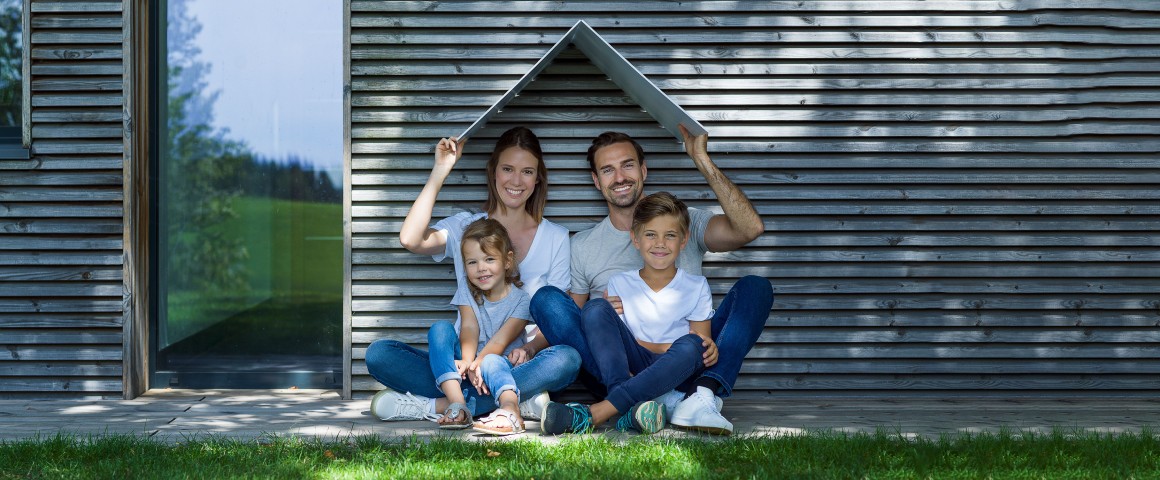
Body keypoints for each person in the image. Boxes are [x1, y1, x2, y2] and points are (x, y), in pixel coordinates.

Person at [530, 125, 774, 435]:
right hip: (615, 365)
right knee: (548, 300)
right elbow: (569, 318)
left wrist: (701, 159)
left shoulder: (684, 220)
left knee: (755, 288)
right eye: (608, 169)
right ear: (596, 180)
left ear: (643, 170)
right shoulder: (583, 245)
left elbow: (749, 229)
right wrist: (533, 345)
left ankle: (702, 395)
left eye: (628, 165)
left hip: (686, 362)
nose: (620, 177)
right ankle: (646, 401)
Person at [366, 127, 580, 430]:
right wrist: (440, 170)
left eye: (527, 171)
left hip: (517, 363)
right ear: (493, 172)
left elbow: (554, 317)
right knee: (379, 354)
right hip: (458, 364)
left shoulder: (555, 237)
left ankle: (442, 405)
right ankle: (514, 402)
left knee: (567, 359)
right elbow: (411, 239)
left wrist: (530, 349)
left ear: (538, 178)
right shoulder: (467, 227)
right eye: (507, 169)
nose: (516, 181)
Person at [539, 192, 715, 435]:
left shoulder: (696, 286)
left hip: (674, 373)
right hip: (632, 365)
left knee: (692, 345)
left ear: (683, 240)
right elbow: (614, 350)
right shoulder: (620, 283)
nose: (660, 243)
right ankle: (631, 407)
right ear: (635, 239)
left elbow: (701, 348)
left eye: (670, 236)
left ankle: (597, 413)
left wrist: (675, 348)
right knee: (595, 307)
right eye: (650, 235)